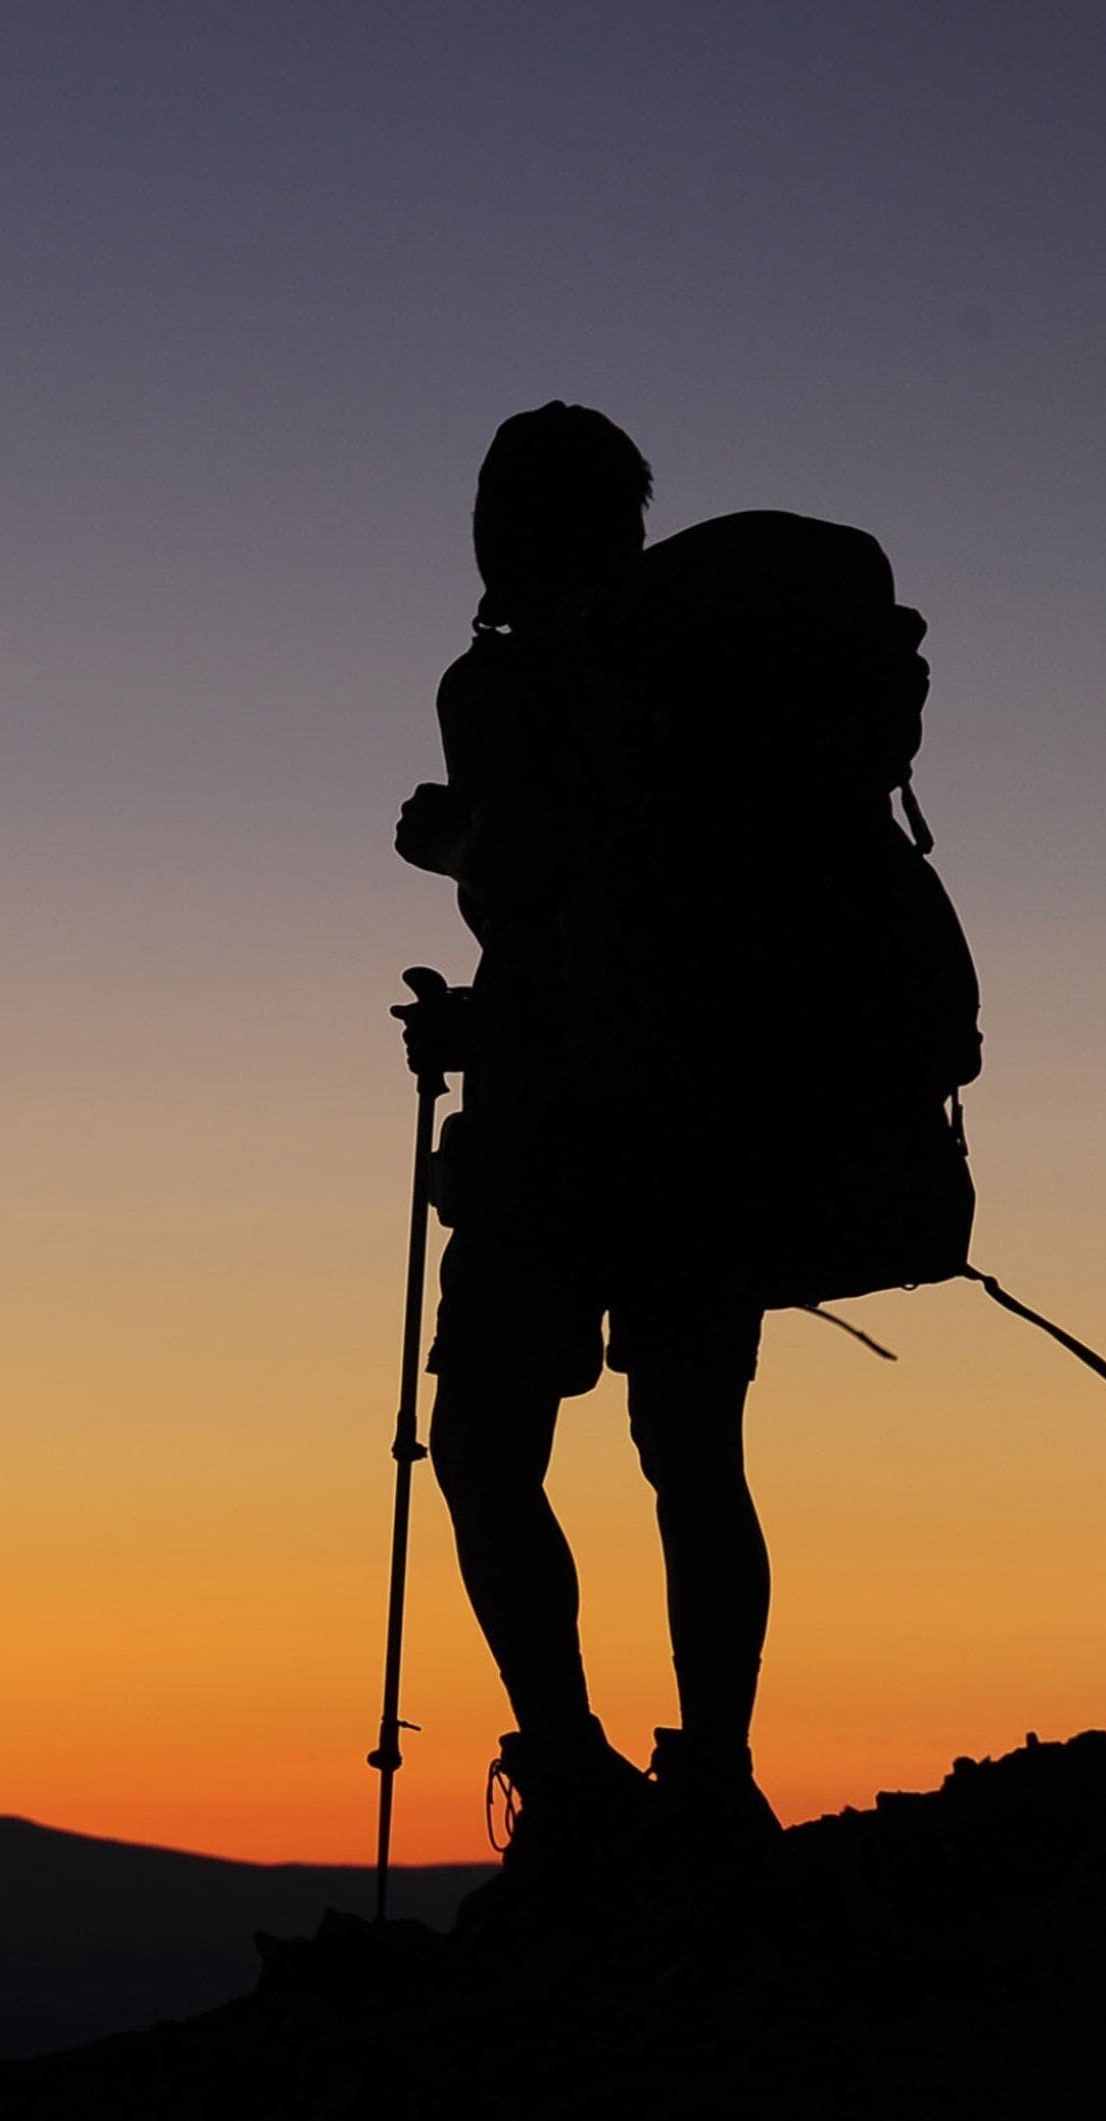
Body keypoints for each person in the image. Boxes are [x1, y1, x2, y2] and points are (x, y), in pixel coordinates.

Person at [389, 403, 784, 1877]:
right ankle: (718, 1777)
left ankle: (568, 1773)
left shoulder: (496, 691)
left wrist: (461, 852)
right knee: (695, 1449)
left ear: (503, 527)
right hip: (711, 1118)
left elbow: (544, 907)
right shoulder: (718, 675)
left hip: (560, 1128)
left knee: (487, 1446)